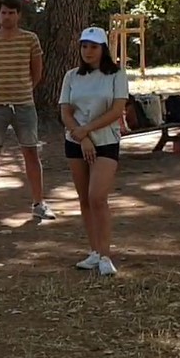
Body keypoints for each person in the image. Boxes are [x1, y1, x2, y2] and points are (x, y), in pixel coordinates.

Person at [0, 0, 56, 222]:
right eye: (3, 12)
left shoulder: (30, 40)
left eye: (11, 12)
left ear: (18, 15)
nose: (7, 16)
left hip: (24, 105)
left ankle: (39, 203)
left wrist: (23, 89)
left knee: (30, 152)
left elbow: (37, 72)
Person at [59, 27, 128, 276]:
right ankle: (94, 251)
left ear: (103, 49)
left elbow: (117, 109)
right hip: (76, 140)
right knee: (85, 199)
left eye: (94, 47)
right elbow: (65, 111)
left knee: (98, 196)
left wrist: (88, 130)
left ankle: (106, 255)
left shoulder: (116, 75)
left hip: (106, 140)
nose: (88, 51)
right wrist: (82, 136)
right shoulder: (71, 76)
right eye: (84, 46)